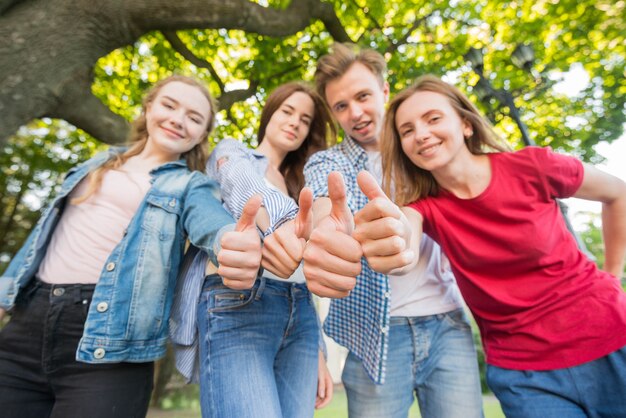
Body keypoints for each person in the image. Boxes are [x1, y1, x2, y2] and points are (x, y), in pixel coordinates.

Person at [352, 74, 626, 418]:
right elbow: (405, 230)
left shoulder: (532, 166)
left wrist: (612, 276)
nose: (420, 134)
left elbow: (617, 192)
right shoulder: (426, 209)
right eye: (406, 131)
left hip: (610, 338)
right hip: (524, 374)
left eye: (433, 119)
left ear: (466, 125)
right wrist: (391, 238)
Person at [0, 75, 262, 418]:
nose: (178, 119)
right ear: (149, 106)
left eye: (194, 118)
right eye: (169, 105)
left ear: (202, 134)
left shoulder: (189, 183)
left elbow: (211, 223)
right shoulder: (97, 163)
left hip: (112, 343)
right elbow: (44, 235)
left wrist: (231, 243)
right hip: (26, 324)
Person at [302, 43, 483, 418]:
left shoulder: (427, 149)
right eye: (341, 106)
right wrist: (327, 229)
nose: (355, 112)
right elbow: (323, 198)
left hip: (447, 322)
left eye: (363, 96)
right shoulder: (328, 161)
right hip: (372, 335)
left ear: (384, 92)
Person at [170, 81, 336, 418]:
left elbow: (305, 275)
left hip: (301, 315)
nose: (295, 122)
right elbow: (244, 185)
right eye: (287, 111)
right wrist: (289, 222)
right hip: (240, 303)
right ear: (269, 114)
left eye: (305, 120)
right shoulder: (233, 152)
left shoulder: (302, 184)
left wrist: (318, 346)